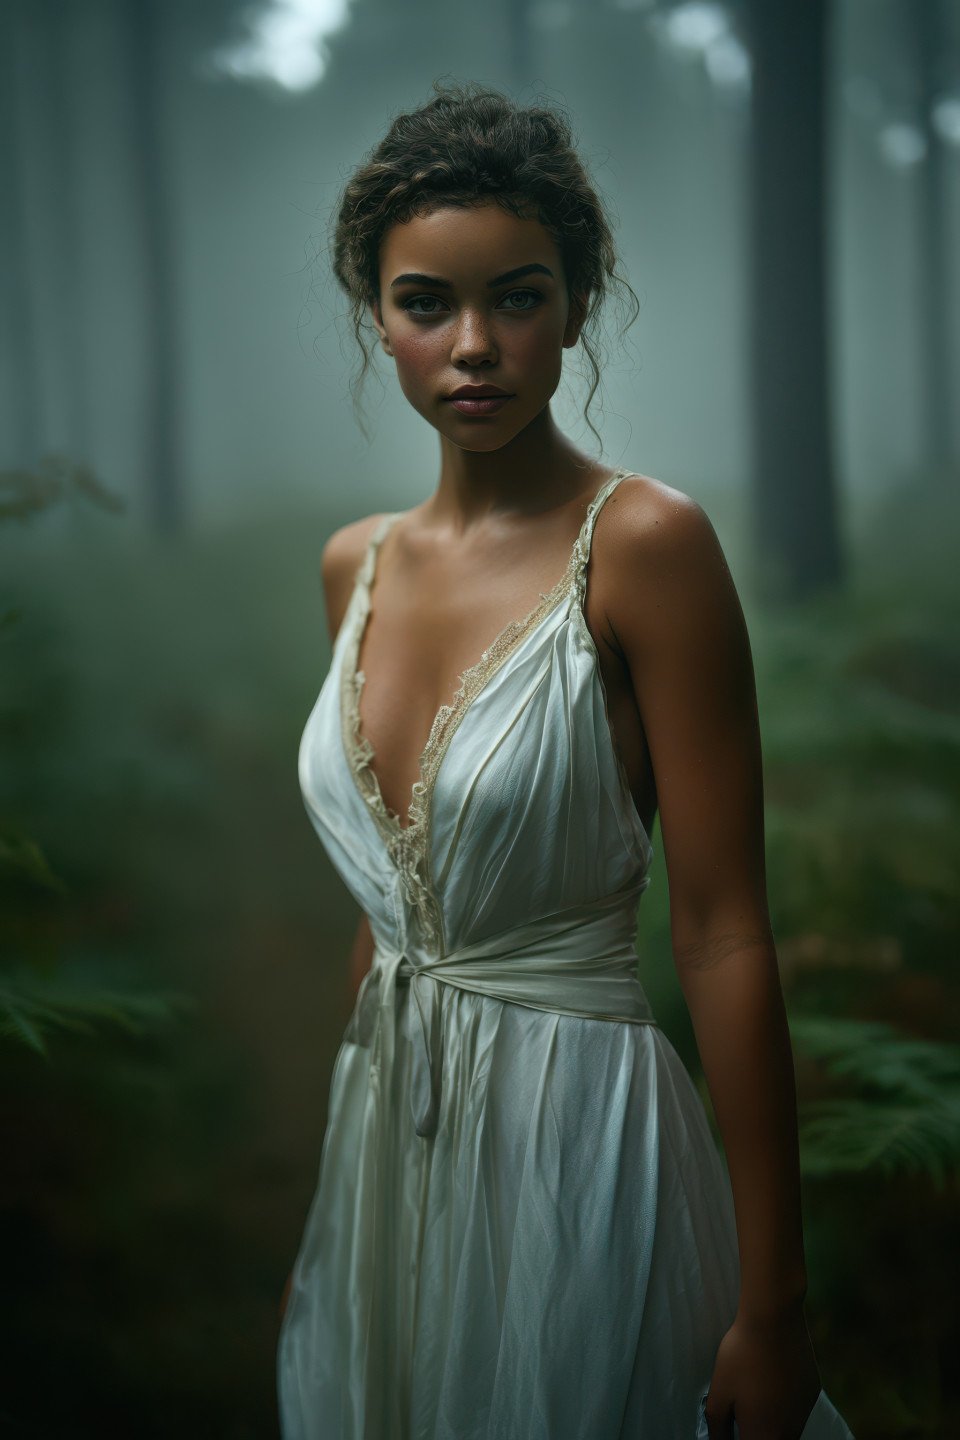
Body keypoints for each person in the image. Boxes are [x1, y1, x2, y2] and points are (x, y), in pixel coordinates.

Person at [277, 81, 855, 1440]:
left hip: (575, 1137)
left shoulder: (645, 546)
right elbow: (391, 916)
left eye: (518, 297)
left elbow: (721, 933)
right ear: (379, 315)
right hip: (387, 1143)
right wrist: (344, 1221)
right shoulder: (351, 567)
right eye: (427, 303)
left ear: (580, 301)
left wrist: (773, 1310)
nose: (473, 345)